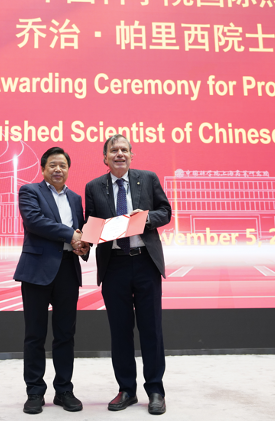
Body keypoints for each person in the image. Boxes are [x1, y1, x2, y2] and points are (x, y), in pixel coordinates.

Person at [85, 134, 172, 415]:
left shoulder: (148, 178)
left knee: (151, 329)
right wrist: (84, 239)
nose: (119, 154)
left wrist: (144, 219)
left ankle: (155, 390)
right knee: (120, 331)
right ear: (105, 158)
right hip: (114, 266)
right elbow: (91, 226)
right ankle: (126, 390)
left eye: (124, 149)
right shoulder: (93, 187)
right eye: (114, 150)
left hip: (145, 263)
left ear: (132, 155)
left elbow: (165, 212)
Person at [13, 146, 89, 415]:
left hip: (68, 270)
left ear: (68, 170)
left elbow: (81, 231)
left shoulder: (75, 198)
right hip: (36, 271)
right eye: (53, 165)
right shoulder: (30, 191)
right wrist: (71, 235)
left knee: (65, 334)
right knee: (35, 335)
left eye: (63, 165)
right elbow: (34, 221)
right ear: (43, 168)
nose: (58, 169)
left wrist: (84, 245)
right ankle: (34, 391)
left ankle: (64, 390)